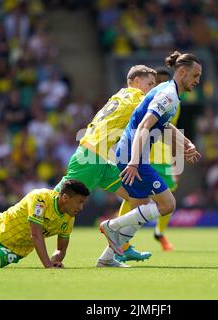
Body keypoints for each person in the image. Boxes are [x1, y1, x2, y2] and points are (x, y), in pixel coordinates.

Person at [99, 51, 202, 256]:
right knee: (167, 204)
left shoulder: (170, 92)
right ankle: (112, 225)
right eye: (195, 76)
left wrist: (186, 143)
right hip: (133, 155)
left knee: (139, 209)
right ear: (181, 72)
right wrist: (135, 162)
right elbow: (144, 127)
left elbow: (164, 126)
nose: (198, 81)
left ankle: (107, 257)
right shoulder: (168, 95)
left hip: (129, 153)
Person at [53, 65, 157, 267]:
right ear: (135, 81)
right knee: (55, 203)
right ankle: (19, 226)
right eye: (150, 84)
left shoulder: (119, 96)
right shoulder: (135, 96)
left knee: (138, 196)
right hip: (90, 157)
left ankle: (116, 252)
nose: (152, 89)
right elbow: (157, 108)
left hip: (100, 160)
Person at [115, 67, 179, 260]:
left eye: (158, 83)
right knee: (139, 199)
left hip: (160, 155)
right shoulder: (140, 99)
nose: (155, 87)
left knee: (147, 198)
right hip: (137, 155)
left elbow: (166, 127)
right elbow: (139, 125)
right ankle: (116, 233)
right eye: (152, 83)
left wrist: (177, 152)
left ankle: (156, 233)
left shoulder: (173, 102)